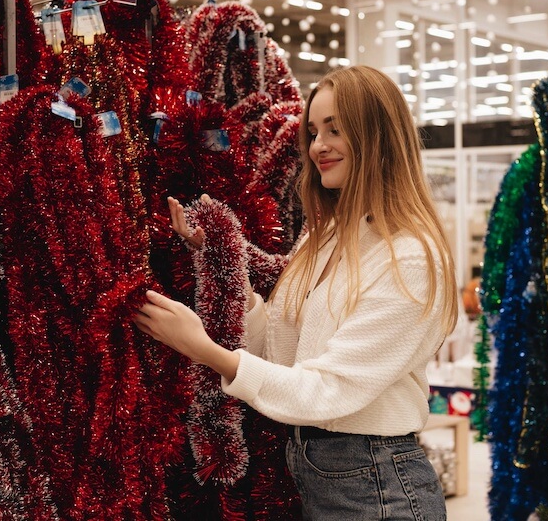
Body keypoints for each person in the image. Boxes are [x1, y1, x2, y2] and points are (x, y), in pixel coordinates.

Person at [134, 65, 457, 520]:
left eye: (335, 129)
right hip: (314, 471)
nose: (318, 146)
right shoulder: (324, 237)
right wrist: (224, 260)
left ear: (377, 136)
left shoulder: (410, 258)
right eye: (313, 130)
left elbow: (329, 388)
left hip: (379, 485)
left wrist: (205, 349)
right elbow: (284, 352)